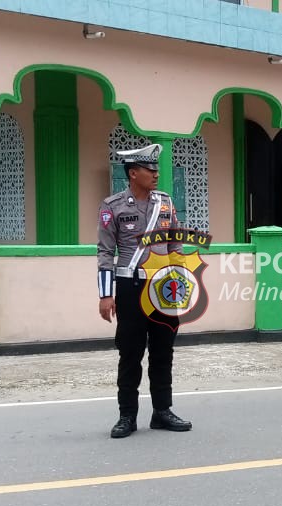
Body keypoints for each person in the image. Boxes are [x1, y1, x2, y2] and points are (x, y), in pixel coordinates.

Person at [97, 143, 192, 439]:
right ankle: (127, 416)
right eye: (150, 170)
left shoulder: (165, 203)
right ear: (133, 173)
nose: (156, 174)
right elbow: (104, 252)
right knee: (130, 352)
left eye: (156, 169)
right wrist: (105, 294)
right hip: (130, 287)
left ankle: (162, 411)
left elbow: (176, 243)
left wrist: (180, 280)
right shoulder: (113, 206)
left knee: (163, 350)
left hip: (163, 287)